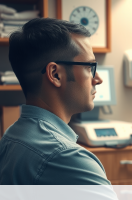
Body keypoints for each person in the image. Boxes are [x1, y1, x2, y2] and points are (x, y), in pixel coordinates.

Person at [0, 17, 114, 189]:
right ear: (55, 74)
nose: (97, 79)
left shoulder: (11, 137)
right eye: (89, 67)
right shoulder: (67, 158)